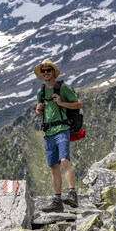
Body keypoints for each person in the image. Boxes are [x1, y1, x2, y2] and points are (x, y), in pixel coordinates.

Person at [34, 59, 82, 212]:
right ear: (41, 74)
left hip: (62, 128)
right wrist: (38, 111)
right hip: (48, 132)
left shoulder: (63, 87)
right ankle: (57, 200)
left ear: (53, 72)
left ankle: (72, 194)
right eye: (43, 71)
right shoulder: (40, 92)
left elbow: (78, 104)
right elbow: (40, 113)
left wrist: (61, 103)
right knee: (53, 166)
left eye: (49, 70)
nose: (46, 72)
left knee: (64, 160)